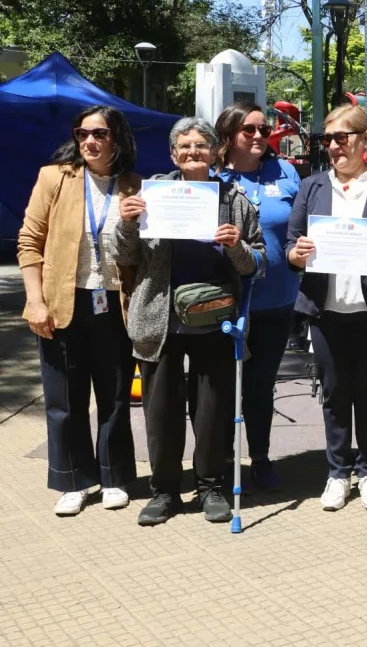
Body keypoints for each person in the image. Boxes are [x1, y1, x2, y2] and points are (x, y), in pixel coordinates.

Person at [116, 118, 265, 527]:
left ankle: (211, 487)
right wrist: (128, 222)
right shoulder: (152, 194)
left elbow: (259, 263)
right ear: (172, 154)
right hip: (160, 321)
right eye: (185, 147)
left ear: (216, 152)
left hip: (215, 319)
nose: (193, 152)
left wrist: (236, 247)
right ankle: (164, 491)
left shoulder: (234, 200)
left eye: (201, 145)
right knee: (160, 412)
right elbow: (123, 255)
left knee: (213, 411)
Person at [286, 104, 367, 512]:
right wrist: (298, 253)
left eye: (340, 138)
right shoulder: (312, 187)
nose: (332, 147)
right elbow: (292, 245)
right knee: (335, 392)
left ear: (366, 140)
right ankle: (337, 471)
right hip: (326, 310)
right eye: (326, 140)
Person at [17, 106, 140, 516]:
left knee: (115, 396)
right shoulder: (55, 177)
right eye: (82, 133)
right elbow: (29, 242)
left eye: (99, 133)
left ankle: (114, 477)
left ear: (117, 139)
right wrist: (35, 300)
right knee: (64, 399)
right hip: (61, 303)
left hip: (114, 304)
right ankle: (73, 479)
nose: (89, 141)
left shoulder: (132, 185)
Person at [215, 101, 302, 489]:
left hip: (277, 300)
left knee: (261, 385)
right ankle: (221, 462)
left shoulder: (284, 172)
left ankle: (261, 460)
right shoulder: (211, 178)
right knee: (222, 386)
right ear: (229, 133)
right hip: (224, 301)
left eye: (263, 130)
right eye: (248, 129)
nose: (258, 137)